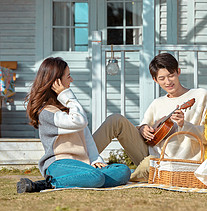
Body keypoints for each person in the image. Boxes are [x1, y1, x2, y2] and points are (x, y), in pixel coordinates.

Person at [17, 57, 131, 193]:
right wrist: (67, 95)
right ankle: (47, 184)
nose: (71, 80)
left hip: (83, 164)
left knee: (123, 171)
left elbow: (85, 133)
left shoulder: (67, 104)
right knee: (95, 177)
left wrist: (95, 159)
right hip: (58, 163)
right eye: (68, 76)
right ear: (56, 82)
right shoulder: (46, 112)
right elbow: (79, 121)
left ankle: (88, 179)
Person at [93, 53, 207, 181]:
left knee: (122, 174)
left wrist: (185, 125)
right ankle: (80, 161)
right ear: (155, 80)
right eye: (162, 78)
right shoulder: (157, 103)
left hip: (177, 163)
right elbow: (141, 129)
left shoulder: (201, 95)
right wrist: (142, 128)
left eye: (171, 76)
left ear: (178, 72)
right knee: (115, 119)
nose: (168, 82)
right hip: (149, 156)